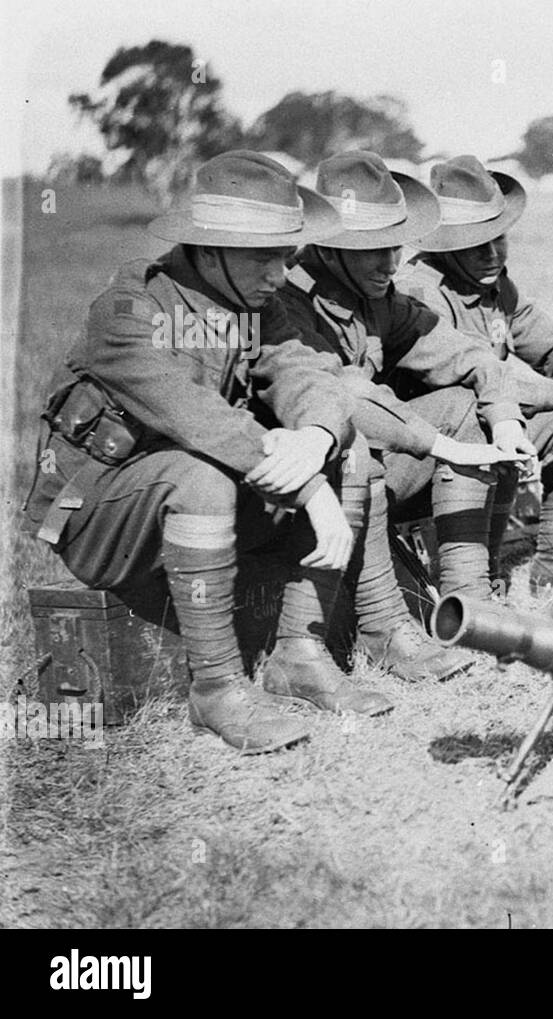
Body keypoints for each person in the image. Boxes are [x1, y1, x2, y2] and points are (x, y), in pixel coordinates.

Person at [22, 151, 396, 754]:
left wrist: (319, 438)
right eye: (263, 257)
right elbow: (201, 419)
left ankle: (300, 654)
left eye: (286, 256)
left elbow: (308, 374)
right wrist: (311, 488)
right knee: (200, 478)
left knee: (347, 452)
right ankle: (216, 691)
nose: (280, 275)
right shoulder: (130, 311)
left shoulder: (254, 306)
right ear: (209, 247)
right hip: (102, 516)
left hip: (196, 504)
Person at [276, 150, 531, 671]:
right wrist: (441, 445)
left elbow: (463, 352)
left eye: (393, 247)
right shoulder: (286, 301)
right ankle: (384, 630)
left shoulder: (377, 297)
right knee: (358, 452)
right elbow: (346, 397)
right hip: (295, 485)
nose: (388, 263)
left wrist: (503, 415)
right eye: (371, 250)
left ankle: (469, 603)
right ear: (329, 247)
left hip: (357, 482)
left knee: (464, 406)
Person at [397, 155, 553, 598]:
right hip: (422, 454)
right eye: (476, 244)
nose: (492, 254)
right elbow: (473, 387)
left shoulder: (492, 284)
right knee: (487, 412)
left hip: (477, 440)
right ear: (444, 244)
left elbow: (551, 341)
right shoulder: (421, 292)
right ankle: (471, 577)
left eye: (499, 238)